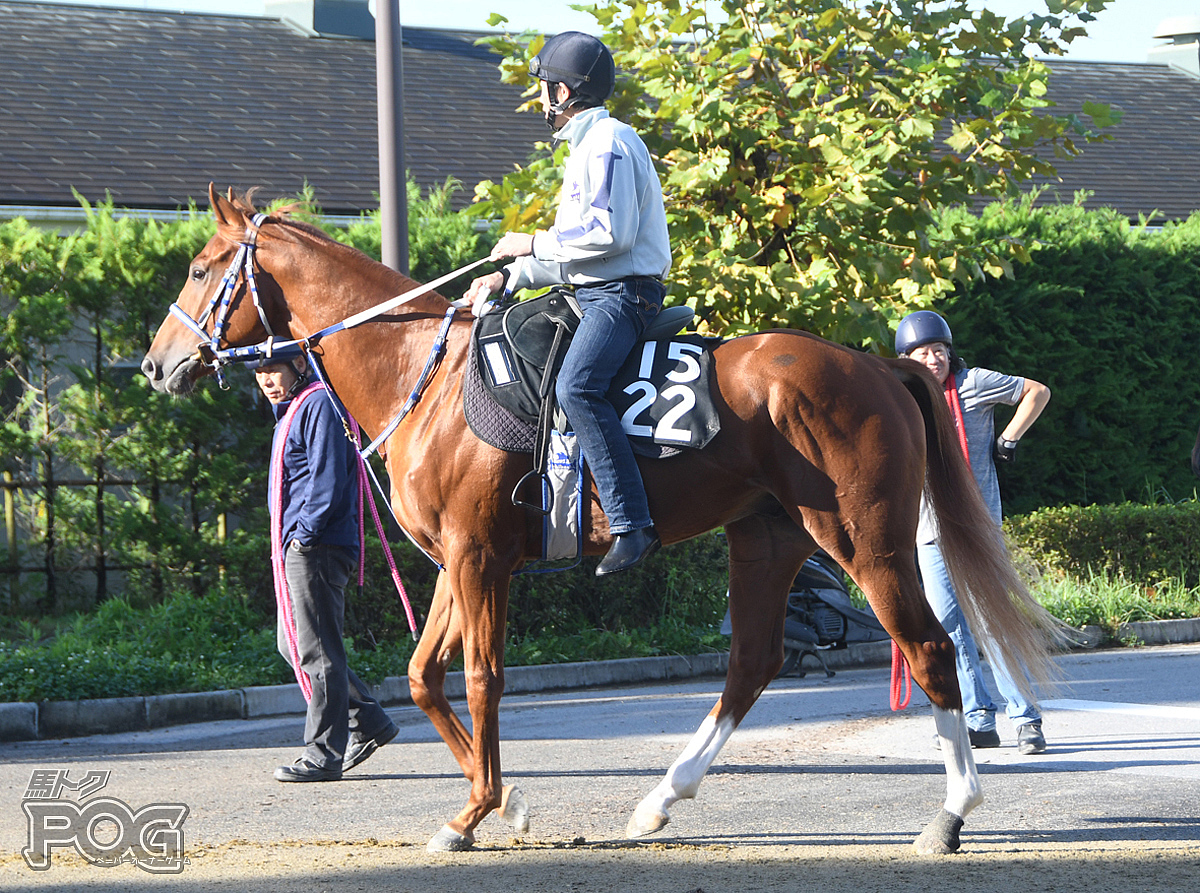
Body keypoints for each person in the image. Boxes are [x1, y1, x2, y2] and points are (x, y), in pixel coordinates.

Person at [463, 31, 672, 576]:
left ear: (563, 91)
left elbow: (608, 237)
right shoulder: (588, 145)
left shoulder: (607, 143)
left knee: (576, 387)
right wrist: (509, 277)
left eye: (543, 89)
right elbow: (575, 252)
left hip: (621, 297)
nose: (540, 100)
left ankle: (631, 524)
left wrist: (528, 243)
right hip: (593, 288)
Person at [895, 310, 1052, 755]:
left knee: (992, 622)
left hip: (977, 528)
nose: (934, 359)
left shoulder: (973, 383)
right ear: (907, 359)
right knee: (948, 630)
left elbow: (1036, 391)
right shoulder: (903, 399)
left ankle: (1025, 718)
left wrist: (1009, 439)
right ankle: (978, 719)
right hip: (929, 532)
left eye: (939, 350)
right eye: (923, 353)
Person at [251, 353, 398, 782]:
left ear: (299, 363)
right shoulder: (292, 411)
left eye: (273, 370)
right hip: (296, 549)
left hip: (316, 547)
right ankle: (369, 722)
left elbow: (328, 477)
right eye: (260, 373)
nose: (266, 380)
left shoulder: (318, 403)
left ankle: (323, 754)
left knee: (316, 651)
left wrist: (305, 536)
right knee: (294, 646)